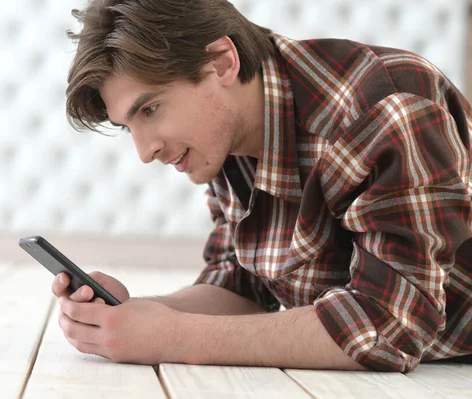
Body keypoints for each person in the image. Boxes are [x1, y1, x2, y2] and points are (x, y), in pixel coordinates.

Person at [51, 0, 472, 372]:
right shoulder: (224, 134)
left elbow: (387, 325)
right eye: (129, 127)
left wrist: (173, 336)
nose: (145, 151)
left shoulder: (382, 107)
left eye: (151, 109)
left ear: (221, 62)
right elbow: (242, 285)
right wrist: (135, 316)